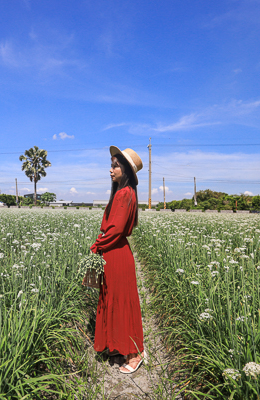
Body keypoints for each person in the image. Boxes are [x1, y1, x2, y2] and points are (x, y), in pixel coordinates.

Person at [90, 146, 146, 374]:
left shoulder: (124, 194)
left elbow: (115, 230)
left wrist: (97, 245)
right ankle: (117, 345)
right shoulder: (125, 192)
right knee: (113, 298)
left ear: (126, 170)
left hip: (115, 252)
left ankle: (135, 353)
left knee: (121, 301)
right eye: (111, 165)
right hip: (116, 252)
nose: (111, 170)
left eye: (115, 166)